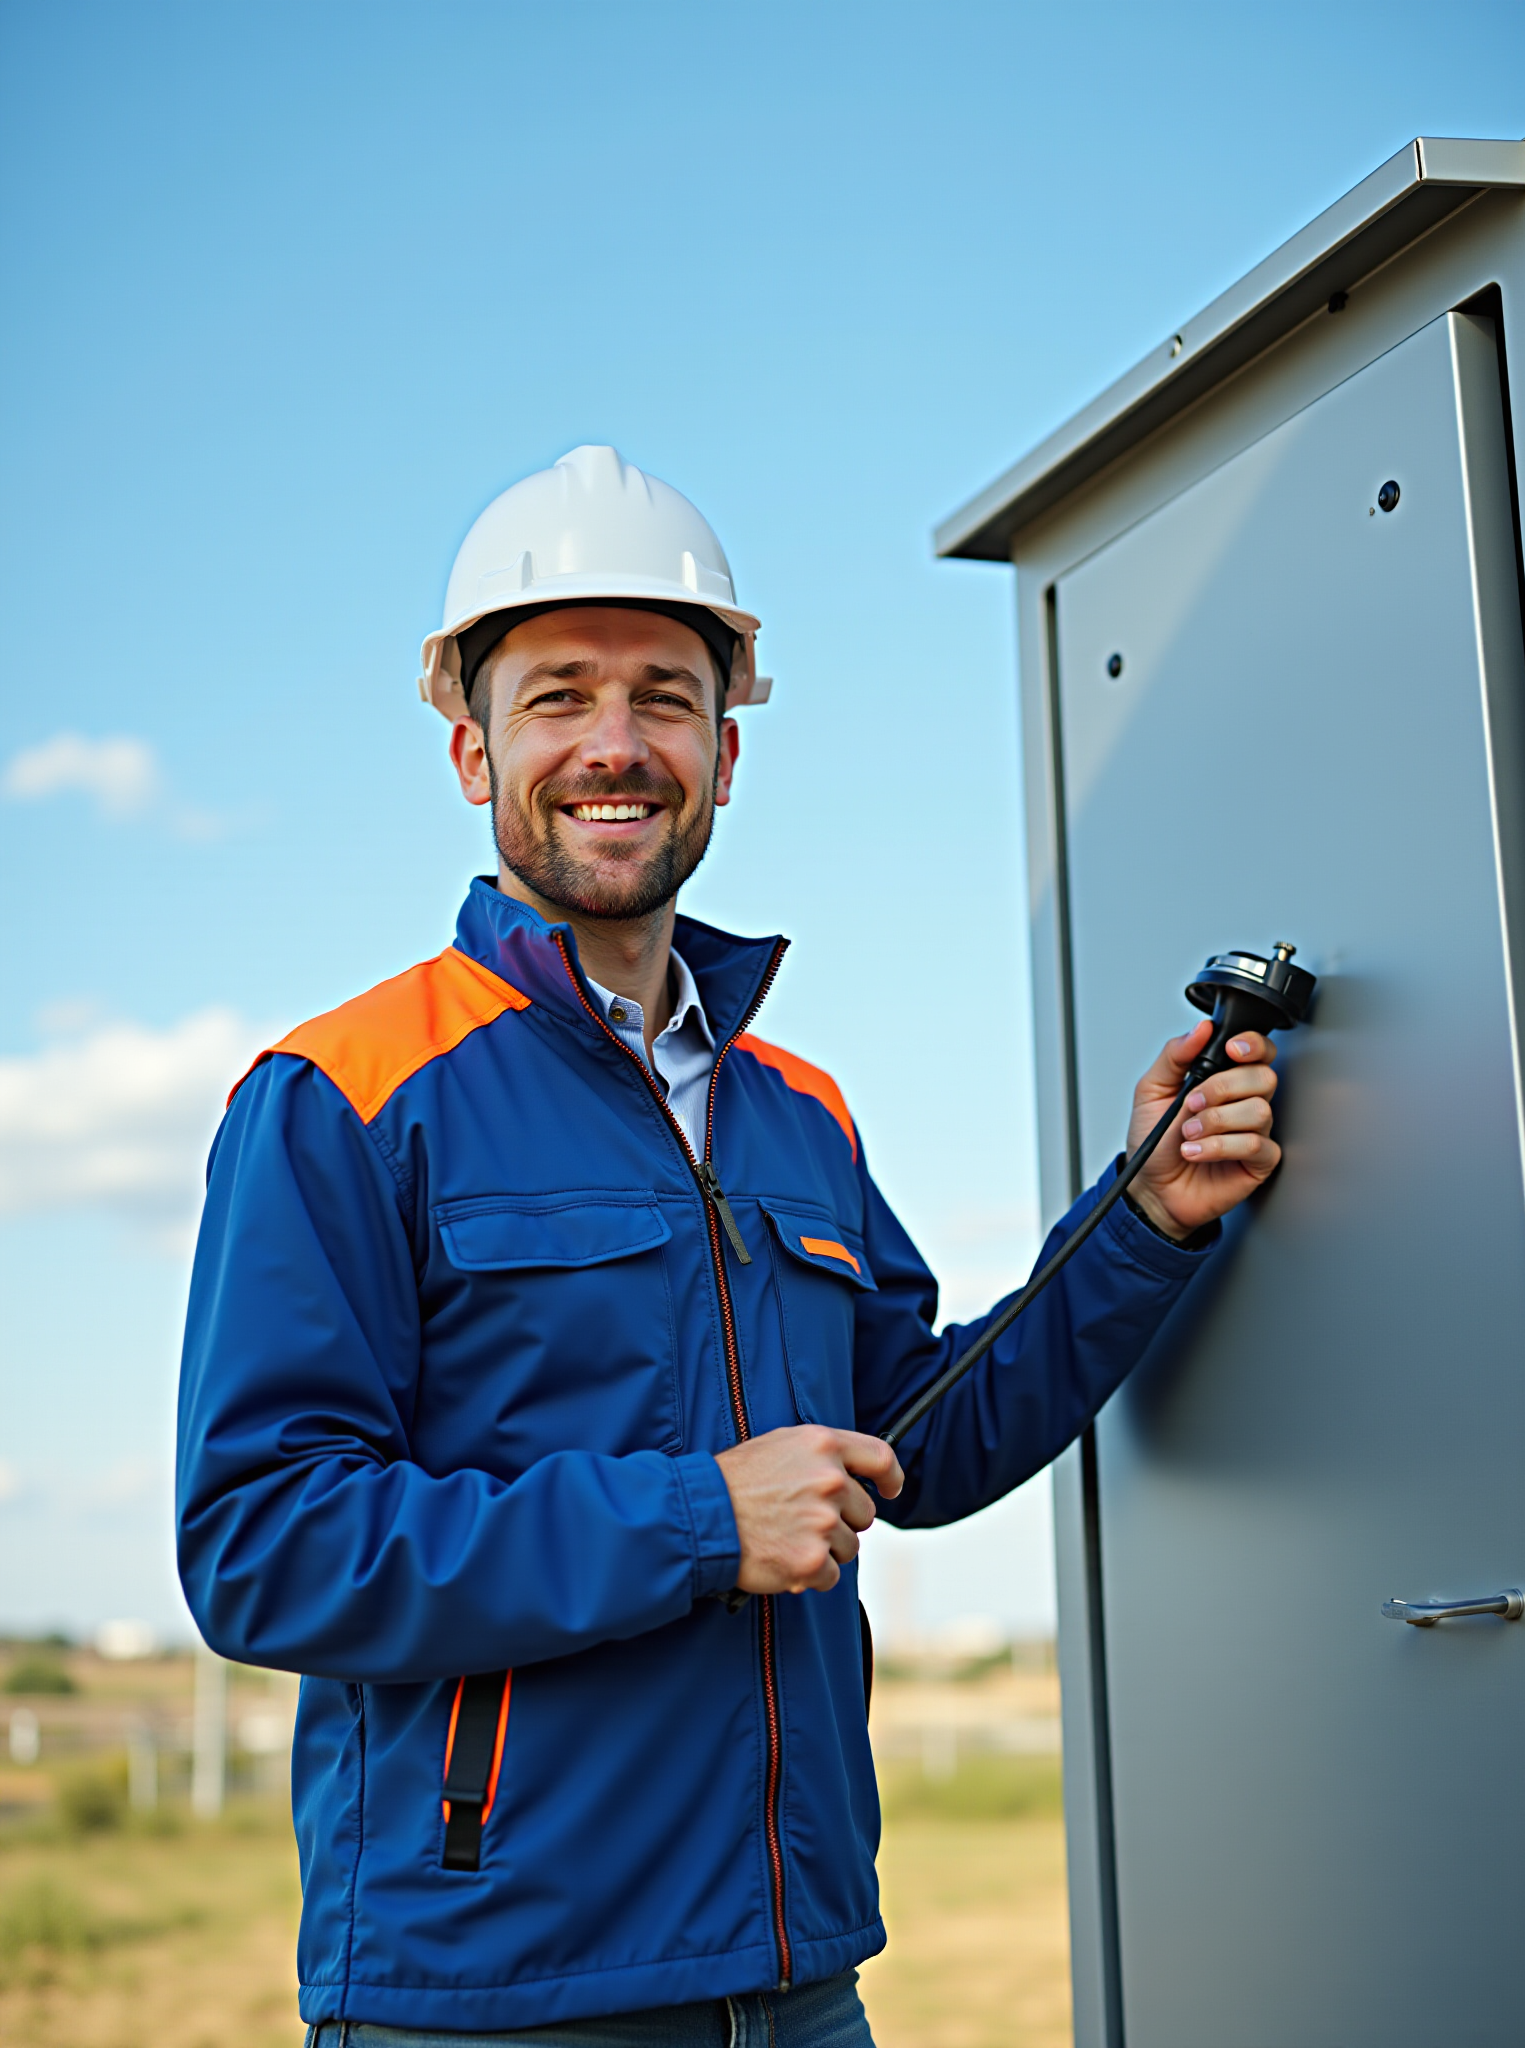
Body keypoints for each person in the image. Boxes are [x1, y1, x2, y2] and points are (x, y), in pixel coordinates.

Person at [176, 445, 1282, 2048]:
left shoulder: (797, 1111)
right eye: (559, 697)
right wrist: (695, 1521)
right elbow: (265, 1545)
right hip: (495, 1995)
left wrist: (1148, 1213)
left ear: (727, 748)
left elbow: (921, 1438)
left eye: (665, 699)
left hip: (800, 1982)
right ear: (472, 747)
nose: (614, 747)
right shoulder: (341, 1097)